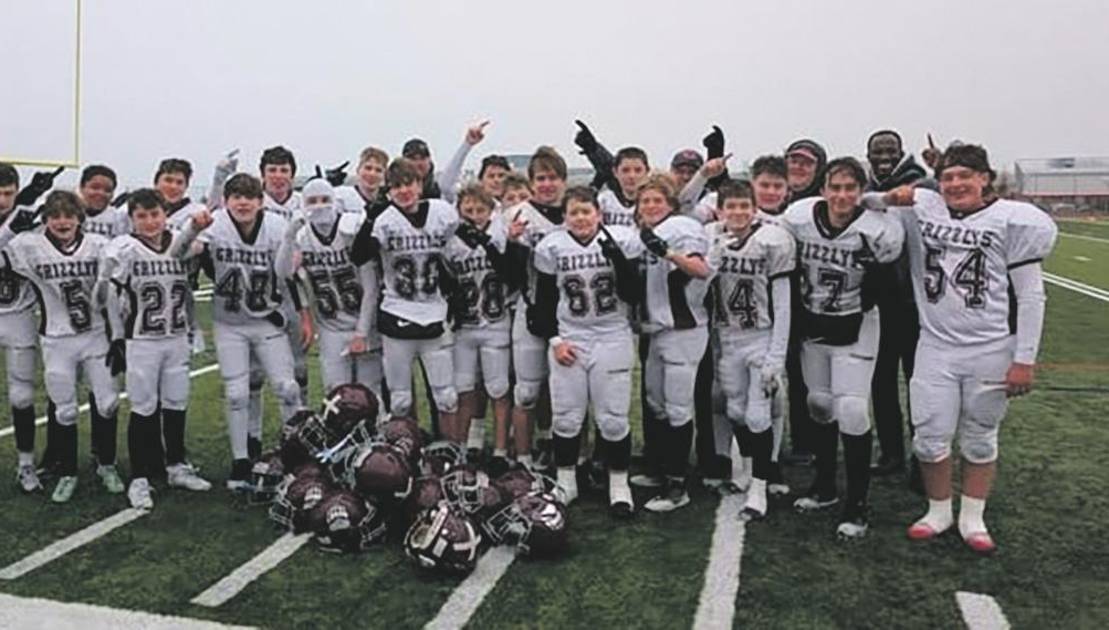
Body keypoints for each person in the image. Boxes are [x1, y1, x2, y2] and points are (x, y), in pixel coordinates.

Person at [871, 143, 1057, 554]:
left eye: (964, 176)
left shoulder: (1013, 221)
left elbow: (1030, 297)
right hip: (935, 345)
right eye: (948, 177)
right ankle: (939, 510)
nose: (955, 184)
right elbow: (867, 203)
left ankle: (973, 516)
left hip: (990, 346)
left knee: (979, 436)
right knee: (929, 436)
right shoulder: (924, 205)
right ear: (938, 180)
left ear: (984, 178)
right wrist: (890, 197)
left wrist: (1024, 360)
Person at [782, 158, 904, 539]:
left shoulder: (879, 231)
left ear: (861, 192)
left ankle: (857, 501)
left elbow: (889, 290)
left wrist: (878, 272)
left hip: (858, 324)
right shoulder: (799, 219)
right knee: (818, 403)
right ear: (823, 190)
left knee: (850, 407)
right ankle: (824, 486)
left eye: (850, 188)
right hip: (814, 324)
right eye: (835, 187)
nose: (841, 195)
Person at [174, 173, 303, 490]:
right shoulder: (216, 223)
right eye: (236, 196)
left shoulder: (275, 226)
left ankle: (295, 458)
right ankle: (241, 462)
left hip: (266, 320)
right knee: (236, 394)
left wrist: (288, 240)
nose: (243, 202)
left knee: (288, 388)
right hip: (229, 323)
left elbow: (285, 273)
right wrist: (193, 228)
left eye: (249, 196)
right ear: (227, 200)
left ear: (261, 201)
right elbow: (176, 253)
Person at [0, 190, 123, 503]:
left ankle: (106, 464)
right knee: (65, 409)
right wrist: (11, 228)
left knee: (108, 402)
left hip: (95, 334)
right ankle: (67, 471)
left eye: (69, 215)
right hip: (56, 338)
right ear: (46, 219)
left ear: (80, 218)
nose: (62, 221)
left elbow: (112, 292)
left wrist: (118, 336)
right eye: (55, 215)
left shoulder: (98, 245)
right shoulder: (28, 245)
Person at [531, 185, 644, 516]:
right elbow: (544, 303)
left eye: (586, 211)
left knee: (611, 418)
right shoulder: (552, 246)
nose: (580, 218)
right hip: (572, 336)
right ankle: (566, 482)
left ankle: (619, 484)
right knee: (566, 417)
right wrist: (555, 340)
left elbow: (634, 294)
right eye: (574, 212)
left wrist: (618, 260)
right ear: (564, 217)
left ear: (599, 213)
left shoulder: (621, 239)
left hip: (612, 335)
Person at [101, 189, 215, 509]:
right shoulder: (125, 249)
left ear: (165, 214)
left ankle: (176, 465)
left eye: (155, 214)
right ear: (132, 219)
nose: (150, 222)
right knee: (143, 407)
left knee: (177, 402)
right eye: (142, 216)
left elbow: (197, 239)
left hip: (176, 337)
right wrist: (117, 337)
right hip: (143, 341)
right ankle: (140, 477)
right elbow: (110, 297)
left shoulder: (180, 241)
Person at [349, 159, 460, 438]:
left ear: (419, 185)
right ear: (389, 191)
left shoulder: (442, 213)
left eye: (408, 183)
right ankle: (406, 453)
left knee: (447, 397)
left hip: (435, 313)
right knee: (400, 400)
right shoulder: (384, 220)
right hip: (397, 313)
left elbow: (455, 253)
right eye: (396, 186)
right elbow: (359, 256)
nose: (403, 191)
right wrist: (370, 220)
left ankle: (454, 456)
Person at [707, 179, 795, 520]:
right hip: (728, 337)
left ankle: (759, 488)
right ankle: (747, 471)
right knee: (737, 412)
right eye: (732, 206)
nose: (739, 212)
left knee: (758, 414)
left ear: (754, 209)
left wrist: (776, 354)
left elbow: (783, 304)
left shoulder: (771, 241)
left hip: (761, 335)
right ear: (720, 211)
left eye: (745, 206)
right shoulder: (715, 241)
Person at [634, 174, 714, 513]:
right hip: (657, 331)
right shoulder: (645, 232)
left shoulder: (681, 227)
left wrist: (666, 252)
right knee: (656, 403)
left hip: (684, 329)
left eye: (657, 201)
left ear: (670, 204)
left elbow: (701, 268)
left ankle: (678, 485)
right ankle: (662, 469)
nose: (650, 206)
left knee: (679, 406)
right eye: (645, 201)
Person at [275, 178, 383, 400]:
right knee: (335, 393)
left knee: (370, 392)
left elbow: (371, 287)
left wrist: (362, 332)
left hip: (365, 321)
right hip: (330, 326)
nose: (319, 206)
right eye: (312, 201)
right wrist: (288, 237)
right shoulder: (302, 236)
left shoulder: (351, 230)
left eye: (325, 199)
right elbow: (284, 273)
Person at [863, 130, 930, 483]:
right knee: (882, 382)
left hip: (916, 304)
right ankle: (891, 452)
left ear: (902, 152)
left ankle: (924, 458)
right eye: (878, 151)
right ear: (868, 154)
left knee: (920, 384)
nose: (884, 156)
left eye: (890, 150)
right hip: (878, 302)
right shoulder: (865, 186)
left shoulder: (922, 186)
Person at [443, 184, 524, 470]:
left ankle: (501, 450)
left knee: (499, 389)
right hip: (465, 326)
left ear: (491, 210)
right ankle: (461, 450)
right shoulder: (451, 242)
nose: (475, 215)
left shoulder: (500, 234)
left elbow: (513, 275)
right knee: (463, 390)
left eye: (480, 210)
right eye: (469, 210)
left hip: (496, 322)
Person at [505, 146, 570, 470]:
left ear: (564, 180)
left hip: (573, 316)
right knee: (527, 391)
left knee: (571, 395)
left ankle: (577, 458)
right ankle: (524, 459)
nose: (547, 184)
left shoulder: (578, 211)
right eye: (541, 178)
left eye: (553, 177)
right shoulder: (519, 214)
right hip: (530, 308)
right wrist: (513, 244)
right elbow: (507, 275)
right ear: (531, 182)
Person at [0, 163, 57, 493]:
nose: (3, 200)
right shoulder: (19, 220)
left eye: (9, 193)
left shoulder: (28, 220)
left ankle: (25, 464)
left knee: (21, 395)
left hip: (18, 314)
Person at [335, 146, 390, 219]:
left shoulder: (388, 202)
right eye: (368, 168)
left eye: (378, 170)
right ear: (358, 170)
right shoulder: (341, 196)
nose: (372, 174)